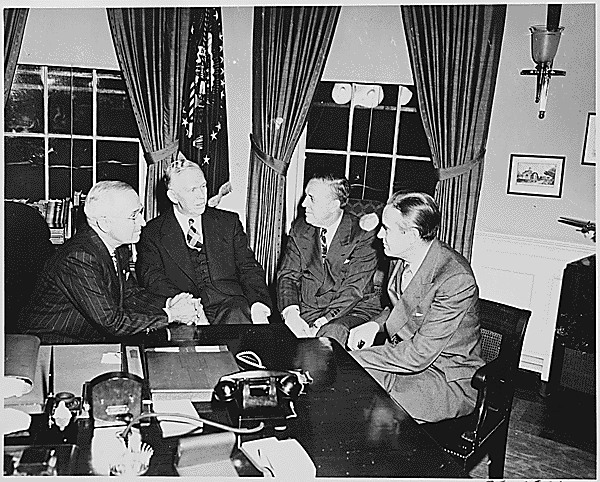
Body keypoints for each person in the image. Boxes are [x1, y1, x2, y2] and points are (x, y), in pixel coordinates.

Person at [348, 192, 484, 424]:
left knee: (379, 414)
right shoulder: (400, 256)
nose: (379, 235)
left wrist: (351, 358)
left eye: (386, 228)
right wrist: (373, 324)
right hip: (404, 361)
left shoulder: (455, 278)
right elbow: (407, 307)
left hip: (445, 377)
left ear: (412, 235)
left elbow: (419, 354)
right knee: (346, 388)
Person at [17, 181, 202, 343]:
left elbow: (130, 295)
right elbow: (111, 322)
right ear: (104, 224)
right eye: (134, 215)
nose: (143, 222)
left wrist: (170, 303)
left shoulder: (117, 248)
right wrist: (171, 315)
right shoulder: (79, 258)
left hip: (88, 338)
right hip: (52, 345)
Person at [136, 158, 273, 325]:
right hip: (186, 309)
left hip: (232, 304)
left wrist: (259, 307)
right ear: (173, 196)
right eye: (192, 190)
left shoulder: (228, 222)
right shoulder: (153, 232)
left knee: (238, 316)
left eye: (203, 186)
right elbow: (153, 279)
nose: (201, 196)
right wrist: (188, 306)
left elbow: (249, 268)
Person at [277, 173, 381, 347]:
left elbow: (354, 290)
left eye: (311, 199)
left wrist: (320, 323)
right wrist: (291, 315)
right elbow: (287, 276)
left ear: (334, 205)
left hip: (352, 309)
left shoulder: (362, 234)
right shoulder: (300, 228)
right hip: (308, 308)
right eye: (305, 196)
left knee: (330, 336)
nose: (303, 204)